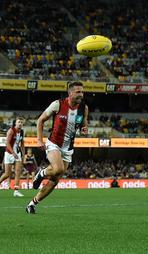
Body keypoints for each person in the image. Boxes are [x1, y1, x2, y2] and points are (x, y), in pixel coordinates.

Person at [27, 82, 88, 214]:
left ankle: (32, 203)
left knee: (55, 179)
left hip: (68, 148)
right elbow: (40, 120)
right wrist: (39, 139)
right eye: (78, 92)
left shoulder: (84, 108)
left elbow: (84, 122)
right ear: (70, 93)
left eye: (82, 92)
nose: (81, 95)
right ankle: (41, 173)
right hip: (53, 143)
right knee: (58, 169)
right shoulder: (58, 104)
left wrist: (84, 128)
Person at [0, 117, 26, 197]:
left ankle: (16, 190)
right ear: (15, 123)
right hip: (9, 153)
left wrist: (23, 155)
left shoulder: (22, 132)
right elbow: (7, 143)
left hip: (17, 153)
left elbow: (22, 144)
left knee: (18, 171)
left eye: (21, 122)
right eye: (19, 122)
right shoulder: (11, 131)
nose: (20, 124)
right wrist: (13, 153)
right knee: (7, 174)